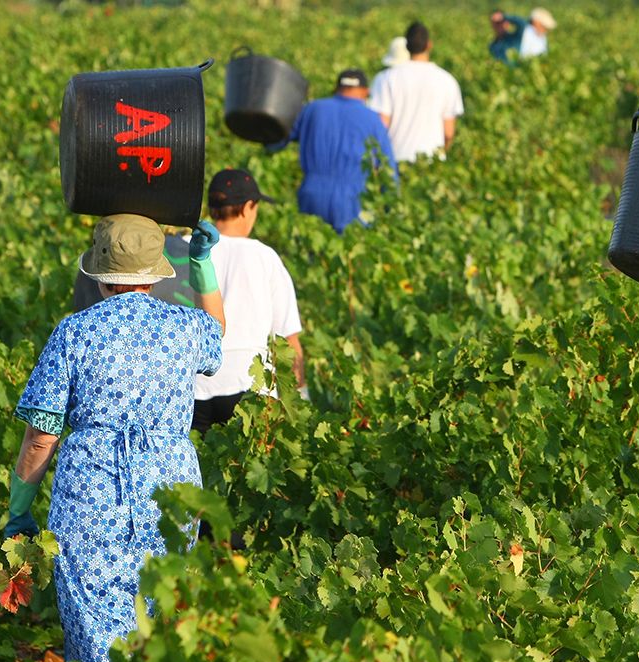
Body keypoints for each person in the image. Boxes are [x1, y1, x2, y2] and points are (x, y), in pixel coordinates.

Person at [2, 214, 226, 662]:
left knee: (94, 626)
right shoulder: (185, 328)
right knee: (163, 618)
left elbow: (40, 437)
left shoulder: (73, 332)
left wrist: (19, 507)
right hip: (171, 492)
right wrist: (202, 264)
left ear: (99, 274)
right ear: (156, 271)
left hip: (90, 493)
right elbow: (218, 332)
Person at [191, 168, 307, 435]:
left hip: (196, 387)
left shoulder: (188, 248)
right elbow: (290, 342)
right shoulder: (265, 257)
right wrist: (301, 398)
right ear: (247, 208)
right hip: (250, 385)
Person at [288, 68, 397, 234]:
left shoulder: (313, 109)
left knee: (309, 249)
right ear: (365, 91)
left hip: (312, 192)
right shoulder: (372, 119)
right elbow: (387, 167)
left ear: (337, 88)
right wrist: (391, 208)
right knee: (350, 253)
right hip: (352, 197)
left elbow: (281, 138)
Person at [368, 21, 465, 163]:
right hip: (432, 162)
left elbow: (381, 126)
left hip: (395, 161)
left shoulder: (386, 78)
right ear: (429, 45)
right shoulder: (447, 80)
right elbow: (448, 133)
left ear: (406, 46)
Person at [489, 7, 556, 64]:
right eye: (543, 26)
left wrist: (503, 16)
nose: (544, 30)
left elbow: (520, 22)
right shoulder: (494, 45)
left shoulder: (540, 37)